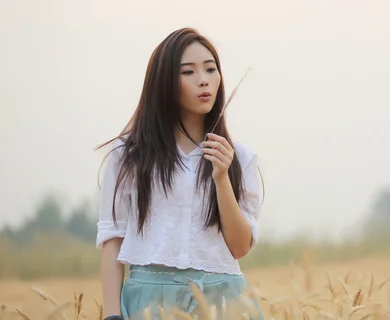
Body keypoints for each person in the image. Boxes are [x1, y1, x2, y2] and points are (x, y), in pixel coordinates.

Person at [95, 28, 264, 320]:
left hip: (223, 301)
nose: (204, 80)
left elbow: (239, 247)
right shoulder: (127, 156)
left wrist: (221, 178)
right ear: (164, 82)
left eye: (211, 69)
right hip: (149, 302)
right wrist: (112, 316)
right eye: (188, 72)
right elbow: (113, 241)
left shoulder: (239, 158)